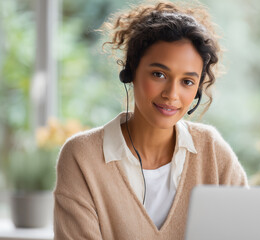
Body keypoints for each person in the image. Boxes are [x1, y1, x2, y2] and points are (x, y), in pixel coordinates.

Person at [53, 1, 248, 239]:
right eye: (159, 74)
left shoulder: (213, 152)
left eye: (187, 81)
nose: (171, 95)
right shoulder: (83, 157)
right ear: (131, 72)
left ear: (197, 89)